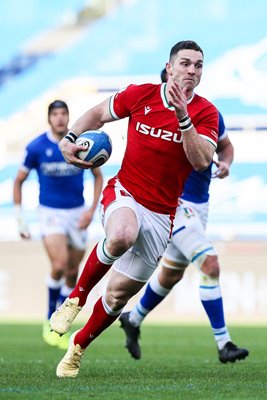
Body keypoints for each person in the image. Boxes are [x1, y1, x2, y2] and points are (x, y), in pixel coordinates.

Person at [49, 40, 219, 378]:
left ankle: (78, 347)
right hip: (125, 192)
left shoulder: (205, 112)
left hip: (162, 215)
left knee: (116, 297)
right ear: (169, 68)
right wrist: (70, 138)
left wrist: (183, 117)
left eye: (198, 65)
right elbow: (98, 114)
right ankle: (76, 299)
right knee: (122, 235)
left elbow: (201, 162)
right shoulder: (141, 94)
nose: (192, 70)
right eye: (185, 63)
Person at [118, 69, 249, 364]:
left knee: (172, 274)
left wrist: (225, 164)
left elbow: (225, 146)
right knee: (209, 262)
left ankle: (133, 319)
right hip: (175, 204)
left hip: (199, 206)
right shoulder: (157, 117)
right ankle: (224, 343)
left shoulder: (208, 113)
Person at [13, 100, 103, 349]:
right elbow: (18, 181)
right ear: (49, 118)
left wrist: (91, 211)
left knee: (73, 272)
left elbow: (97, 176)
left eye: (64, 113)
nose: (60, 118)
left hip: (78, 213)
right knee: (60, 264)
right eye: (56, 114)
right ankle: (49, 317)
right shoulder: (37, 147)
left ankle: (60, 322)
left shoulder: (81, 145)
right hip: (50, 212)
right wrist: (20, 218)